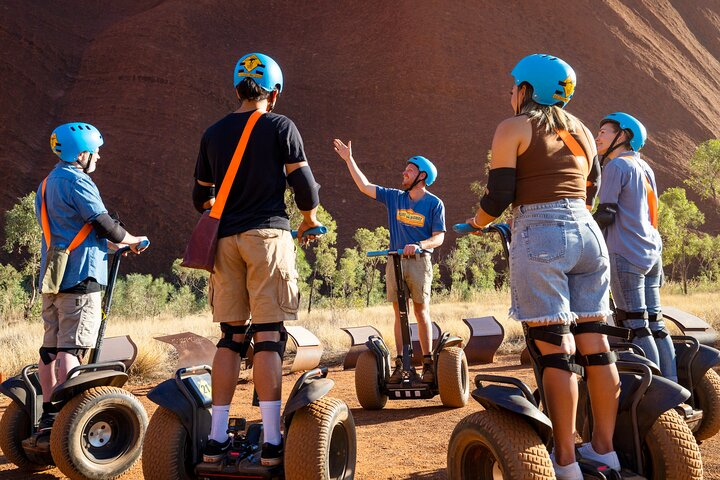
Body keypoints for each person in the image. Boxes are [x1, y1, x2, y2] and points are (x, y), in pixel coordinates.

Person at [466, 54, 620, 479]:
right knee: (595, 343)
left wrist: (478, 223)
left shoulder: (513, 127)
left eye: (514, 85)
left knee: (555, 349)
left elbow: (499, 195)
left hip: (541, 229)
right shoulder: (584, 131)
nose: (510, 92)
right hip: (587, 233)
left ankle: (566, 460)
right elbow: (591, 190)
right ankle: (606, 452)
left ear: (527, 89)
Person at [193, 52, 322, 467]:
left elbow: (200, 197)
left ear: (237, 88)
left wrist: (226, 206)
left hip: (225, 243)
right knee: (268, 336)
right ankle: (270, 442)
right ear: (275, 92)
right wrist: (309, 219)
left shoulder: (213, 133)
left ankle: (215, 440)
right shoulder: (280, 125)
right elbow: (305, 186)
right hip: (267, 236)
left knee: (230, 339)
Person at [33, 122, 148, 439]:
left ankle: (49, 414)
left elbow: (69, 229)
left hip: (53, 277)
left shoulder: (46, 184)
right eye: (95, 151)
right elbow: (102, 222)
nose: (98, 157)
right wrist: (131, 238)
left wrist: (114, 245)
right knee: (73, 348)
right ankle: (70, 416)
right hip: (82, 276)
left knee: (50, 348)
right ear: (80, 153)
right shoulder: (78, 182)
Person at [334, 140, 445, 384]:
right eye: (405, 169)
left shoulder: (434, 204)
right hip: (395, 261)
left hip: (418, 261)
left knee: (420, 310)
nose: (404, 173)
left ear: (422, 176)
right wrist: (348, 159)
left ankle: (427, 362)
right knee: (399, 312)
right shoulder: (395, 197)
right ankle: (402, 363)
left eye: (410, 170)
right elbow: (364, 186)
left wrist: (420, 245)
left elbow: (439, 237)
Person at [594, 112, 677, 382]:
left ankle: (657, 395)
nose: (598, 136)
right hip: (652, 253)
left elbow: (606, 214)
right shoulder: (645, 168)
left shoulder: (616, 167)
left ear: (624, 135)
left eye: (604, 132)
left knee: (636, 326)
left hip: (626, 252)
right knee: (656, 324)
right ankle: (672, 386)